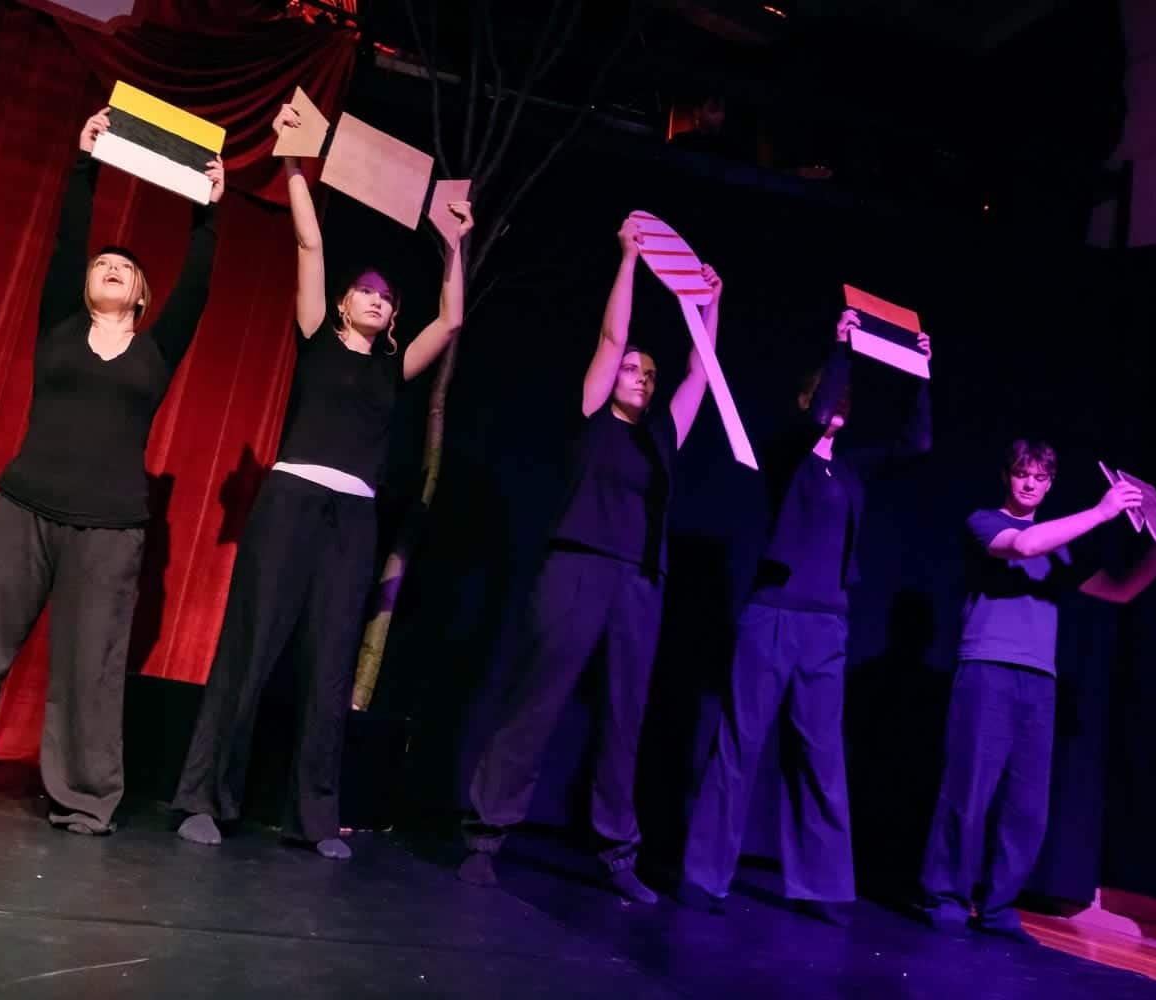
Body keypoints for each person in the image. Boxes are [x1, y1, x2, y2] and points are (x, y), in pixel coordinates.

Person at [0, 109, 223, 833]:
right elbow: (69, 243)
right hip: (22, 509)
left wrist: (206, 212)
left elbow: (196, 286)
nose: (111, 267)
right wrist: (85, 164)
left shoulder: (156, 352)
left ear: (141, 296)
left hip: (110, 530)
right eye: (103, 264)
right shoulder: (60, 327)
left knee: (90, 669)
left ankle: (87, 800)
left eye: (125, 268)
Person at [171, 103, 472, 860]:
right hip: (292, 499)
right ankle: (205, 798)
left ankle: (314, 818)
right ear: (343, 302)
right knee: (252, 645)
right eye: (366, 290)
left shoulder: (392, 367)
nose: (378, 298)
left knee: (332, 663)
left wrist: (454, 245)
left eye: (388, 297)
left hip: (354, 518)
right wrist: (293, 163)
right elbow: (309, 241)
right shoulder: (316, 338)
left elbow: (451, 322)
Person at [458, 217, 722, 902]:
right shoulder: (594, 413)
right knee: (537, 701)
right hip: (576, 567)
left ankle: (617, 854)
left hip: (640, 581)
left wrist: (709, 305)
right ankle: (485, 837)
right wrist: (629, 259)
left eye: (647, 374)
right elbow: (611, 337)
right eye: (632, 369)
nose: (640, 378)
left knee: (624, 718)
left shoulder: (663, 436)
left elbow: (701, 373)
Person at [678, 309, 932, 924]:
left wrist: (920, 372)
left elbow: (917, 443)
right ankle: (704, 875)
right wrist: (839, 347)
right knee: (739, 744)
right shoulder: (787, 450)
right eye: (829, 393)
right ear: (808, 398)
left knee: (821, 755)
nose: (839, 402)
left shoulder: (851, 466)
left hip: (827, 625)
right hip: (772, 615)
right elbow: (816, 415)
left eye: (846, 396)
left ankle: (820, 887)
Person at [920, 440, 1156, 941]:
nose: (1030, 483)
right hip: (987, 668)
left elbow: (1122, 591)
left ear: (1050, 484)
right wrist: (1102, 511)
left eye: (1040, 477)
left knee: (1026, 806)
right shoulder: (985, 522)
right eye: (1022, 473)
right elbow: (1024, 546)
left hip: (1038, 681)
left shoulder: (1061, 546)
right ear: (1007, 476)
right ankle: (947, 898)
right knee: (968, 791)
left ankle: (999, 908)